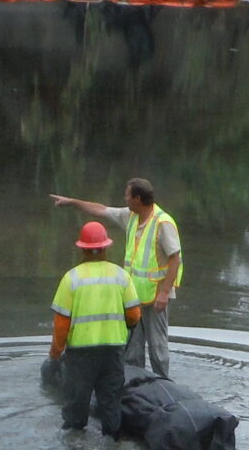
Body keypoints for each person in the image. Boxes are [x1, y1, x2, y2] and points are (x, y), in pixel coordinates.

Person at [50, 177, 180, 377]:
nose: (124, 198)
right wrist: (72, 202)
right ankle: (134, 384)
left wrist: (164, 293)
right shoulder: (131, 216)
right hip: (134, 297)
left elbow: (175, 259)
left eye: (127, 195)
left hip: (155, 297)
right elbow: (100, 209)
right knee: (133, 347)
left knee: (158, 347)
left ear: (137, 198)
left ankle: (164, 385)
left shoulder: (163, 223)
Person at [49, 221, 144, 434]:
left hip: (80, 355)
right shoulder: (120, 276)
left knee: (76, 407)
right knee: (111, 405)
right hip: (113, 353)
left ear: (82, 249)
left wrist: (55, 354)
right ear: (106, 248)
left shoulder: (71, 278)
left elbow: (61, 325)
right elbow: (134, 315)